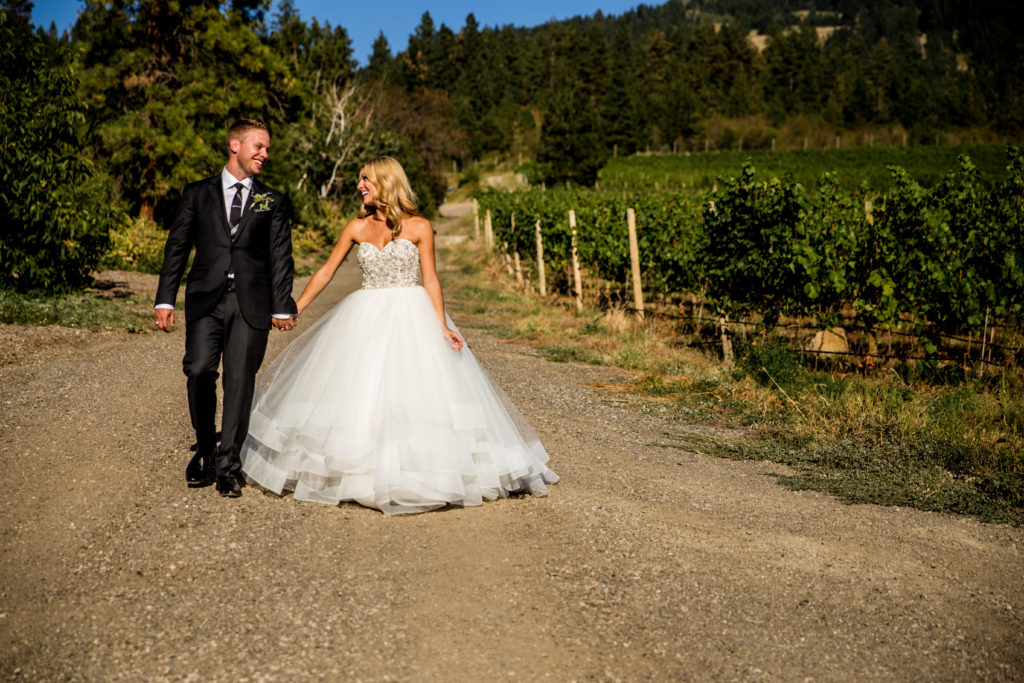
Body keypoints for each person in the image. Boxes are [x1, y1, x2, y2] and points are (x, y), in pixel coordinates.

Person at [240, 156, 557, 515]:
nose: (360, 186)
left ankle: (421, 471)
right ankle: (359, 472)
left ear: (386, 183)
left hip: (412, 315)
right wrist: (295, 307)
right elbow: (327, 271)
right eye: (360, 180)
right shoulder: (356, 228)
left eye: (366, 180)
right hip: (364, 316)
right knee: (362, 390)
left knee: (416, 393)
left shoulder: (420, 227)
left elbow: (431, 280)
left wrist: (441, 325)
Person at [155, 119, 298, 498]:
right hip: (206, 297)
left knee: (239, 382)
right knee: (200, 370)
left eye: (267, 148)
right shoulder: (197, 193)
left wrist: (282, 304)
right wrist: (165, 297)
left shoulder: (274, 200)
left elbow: (280, 257)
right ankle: (205, 451)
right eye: (259, 146)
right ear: (235, 145)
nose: (265, 154)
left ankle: (229, 466)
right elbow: (177, 248)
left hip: (251, 304)